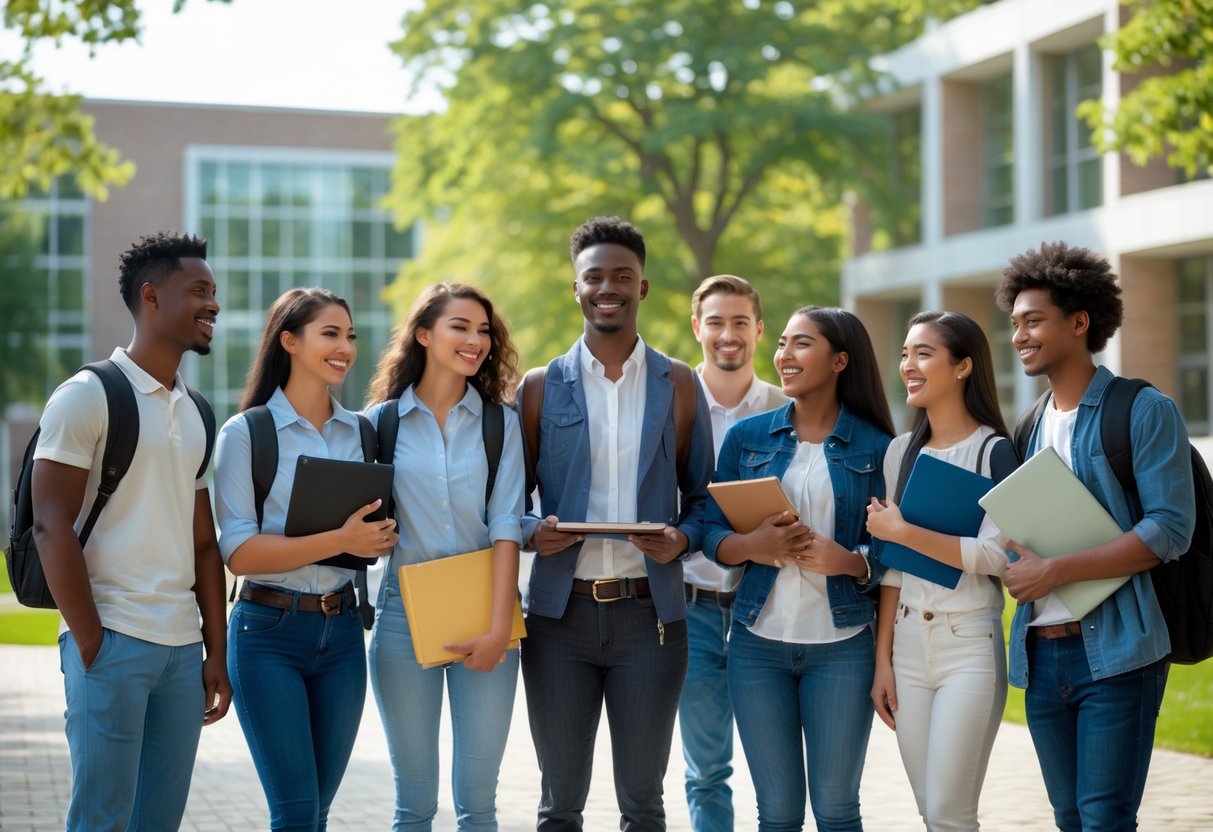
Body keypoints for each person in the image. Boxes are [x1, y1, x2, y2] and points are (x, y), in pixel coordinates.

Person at [517, 216, 714, 831]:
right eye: (594, 277)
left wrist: (681, 539)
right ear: (575, 289)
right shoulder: (539, 388)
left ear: (643, 288)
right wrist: (531, 532)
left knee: (644, 806)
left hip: (649, 620)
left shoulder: (679, 383)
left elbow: (704, 500)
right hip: (558, 621)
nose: (609, 288)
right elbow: (507, 502)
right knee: (559, 807)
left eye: (622, 277)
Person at [31, 231, 231, 831]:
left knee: (157, 824)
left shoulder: (196, 411)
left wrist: (215, 650)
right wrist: (92, 642)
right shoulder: (86, 396)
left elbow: (202, 541)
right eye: (199, 291)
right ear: (151, 296)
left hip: (181, 651)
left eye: (215, 292)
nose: (213, 305)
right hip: (112, 643)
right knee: (101, 820)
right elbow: (49, 522)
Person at [994, 242, 1195, 831]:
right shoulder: (1028, 426)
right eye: (1015, 323)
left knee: (1105, 818)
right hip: (1041, 652)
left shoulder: (1143, 409)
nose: (1019, 336)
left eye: (1033, 321)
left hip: (1117, 654)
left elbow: (1169, 529)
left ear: (1079, 322)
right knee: (1068, 818)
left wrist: (1053, 571)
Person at [703, 306, 894, 832]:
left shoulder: (881, 449)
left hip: (843, 646)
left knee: (836, 809)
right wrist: (751, 544)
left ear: (839, 360)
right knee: (778, 814)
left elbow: (898, 552)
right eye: (782, 343)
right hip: (755, 643)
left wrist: (852, 562)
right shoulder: (747, 438)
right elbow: (709, 532)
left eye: (800, 344)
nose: (783, 355)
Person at [213, 288, 397, 831]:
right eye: (330, 334)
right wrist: (341, 538)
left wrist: (376, 539)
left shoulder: (363, 432)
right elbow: (241, 553)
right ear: (289, 341)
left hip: (342, 635)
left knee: (316, 811)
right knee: (294, 812)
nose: (345, 348)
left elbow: (373, 532)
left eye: (351, 336)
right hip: (267, 633)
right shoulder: (246, 434)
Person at [365, 282, 525, 831]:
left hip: (488, 614)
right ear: (424, 334)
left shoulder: (500, 424)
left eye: (484, 330)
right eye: (460, 326)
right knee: (413, 807)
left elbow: (507, 527)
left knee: (479, 805)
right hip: (401, 616)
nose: (475, 340)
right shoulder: (378, 425)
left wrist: (497, 631)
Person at [865, 310, 1015, 831]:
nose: (908, 365)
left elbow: (997, 556)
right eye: (905, 353)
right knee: (931, 810)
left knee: (951, 812)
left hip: (968, 645)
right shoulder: (900, 452)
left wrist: (903, 531)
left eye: (923, 354)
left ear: (963, 366)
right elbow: (891, 571)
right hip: (906, 647)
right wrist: (882, 661)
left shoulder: (995, 452)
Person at [681, 274, 785, 832]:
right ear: (697, 327)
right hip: (690, 610)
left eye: (740, 322)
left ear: (759, 330)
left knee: (779, 775)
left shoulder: (785, 409)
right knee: (706, 771)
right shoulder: (671, 404)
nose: (728, 334)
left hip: (763, 608)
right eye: (716, 322)